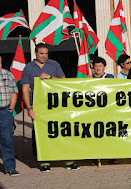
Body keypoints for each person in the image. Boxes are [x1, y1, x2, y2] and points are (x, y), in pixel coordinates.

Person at [21, 43, 80, 172]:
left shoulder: (54, 65)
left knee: (62, 131)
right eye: (41, 53)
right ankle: (44, 162)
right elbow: (25, 89)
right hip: (38, 106)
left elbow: (64, 82)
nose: (44, 56)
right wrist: (29, 108)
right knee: (41, 134)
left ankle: (68, 160)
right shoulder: (28, 68)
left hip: (56, 105)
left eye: (46, 53)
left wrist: (50, 77)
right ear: (36, 53)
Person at [0, 56, 19, 176]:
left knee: (7, 140)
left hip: (4, 112)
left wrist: (10, 109)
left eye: (0, 63)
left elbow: (14, 92)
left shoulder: (7, 74)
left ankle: (10, 167)